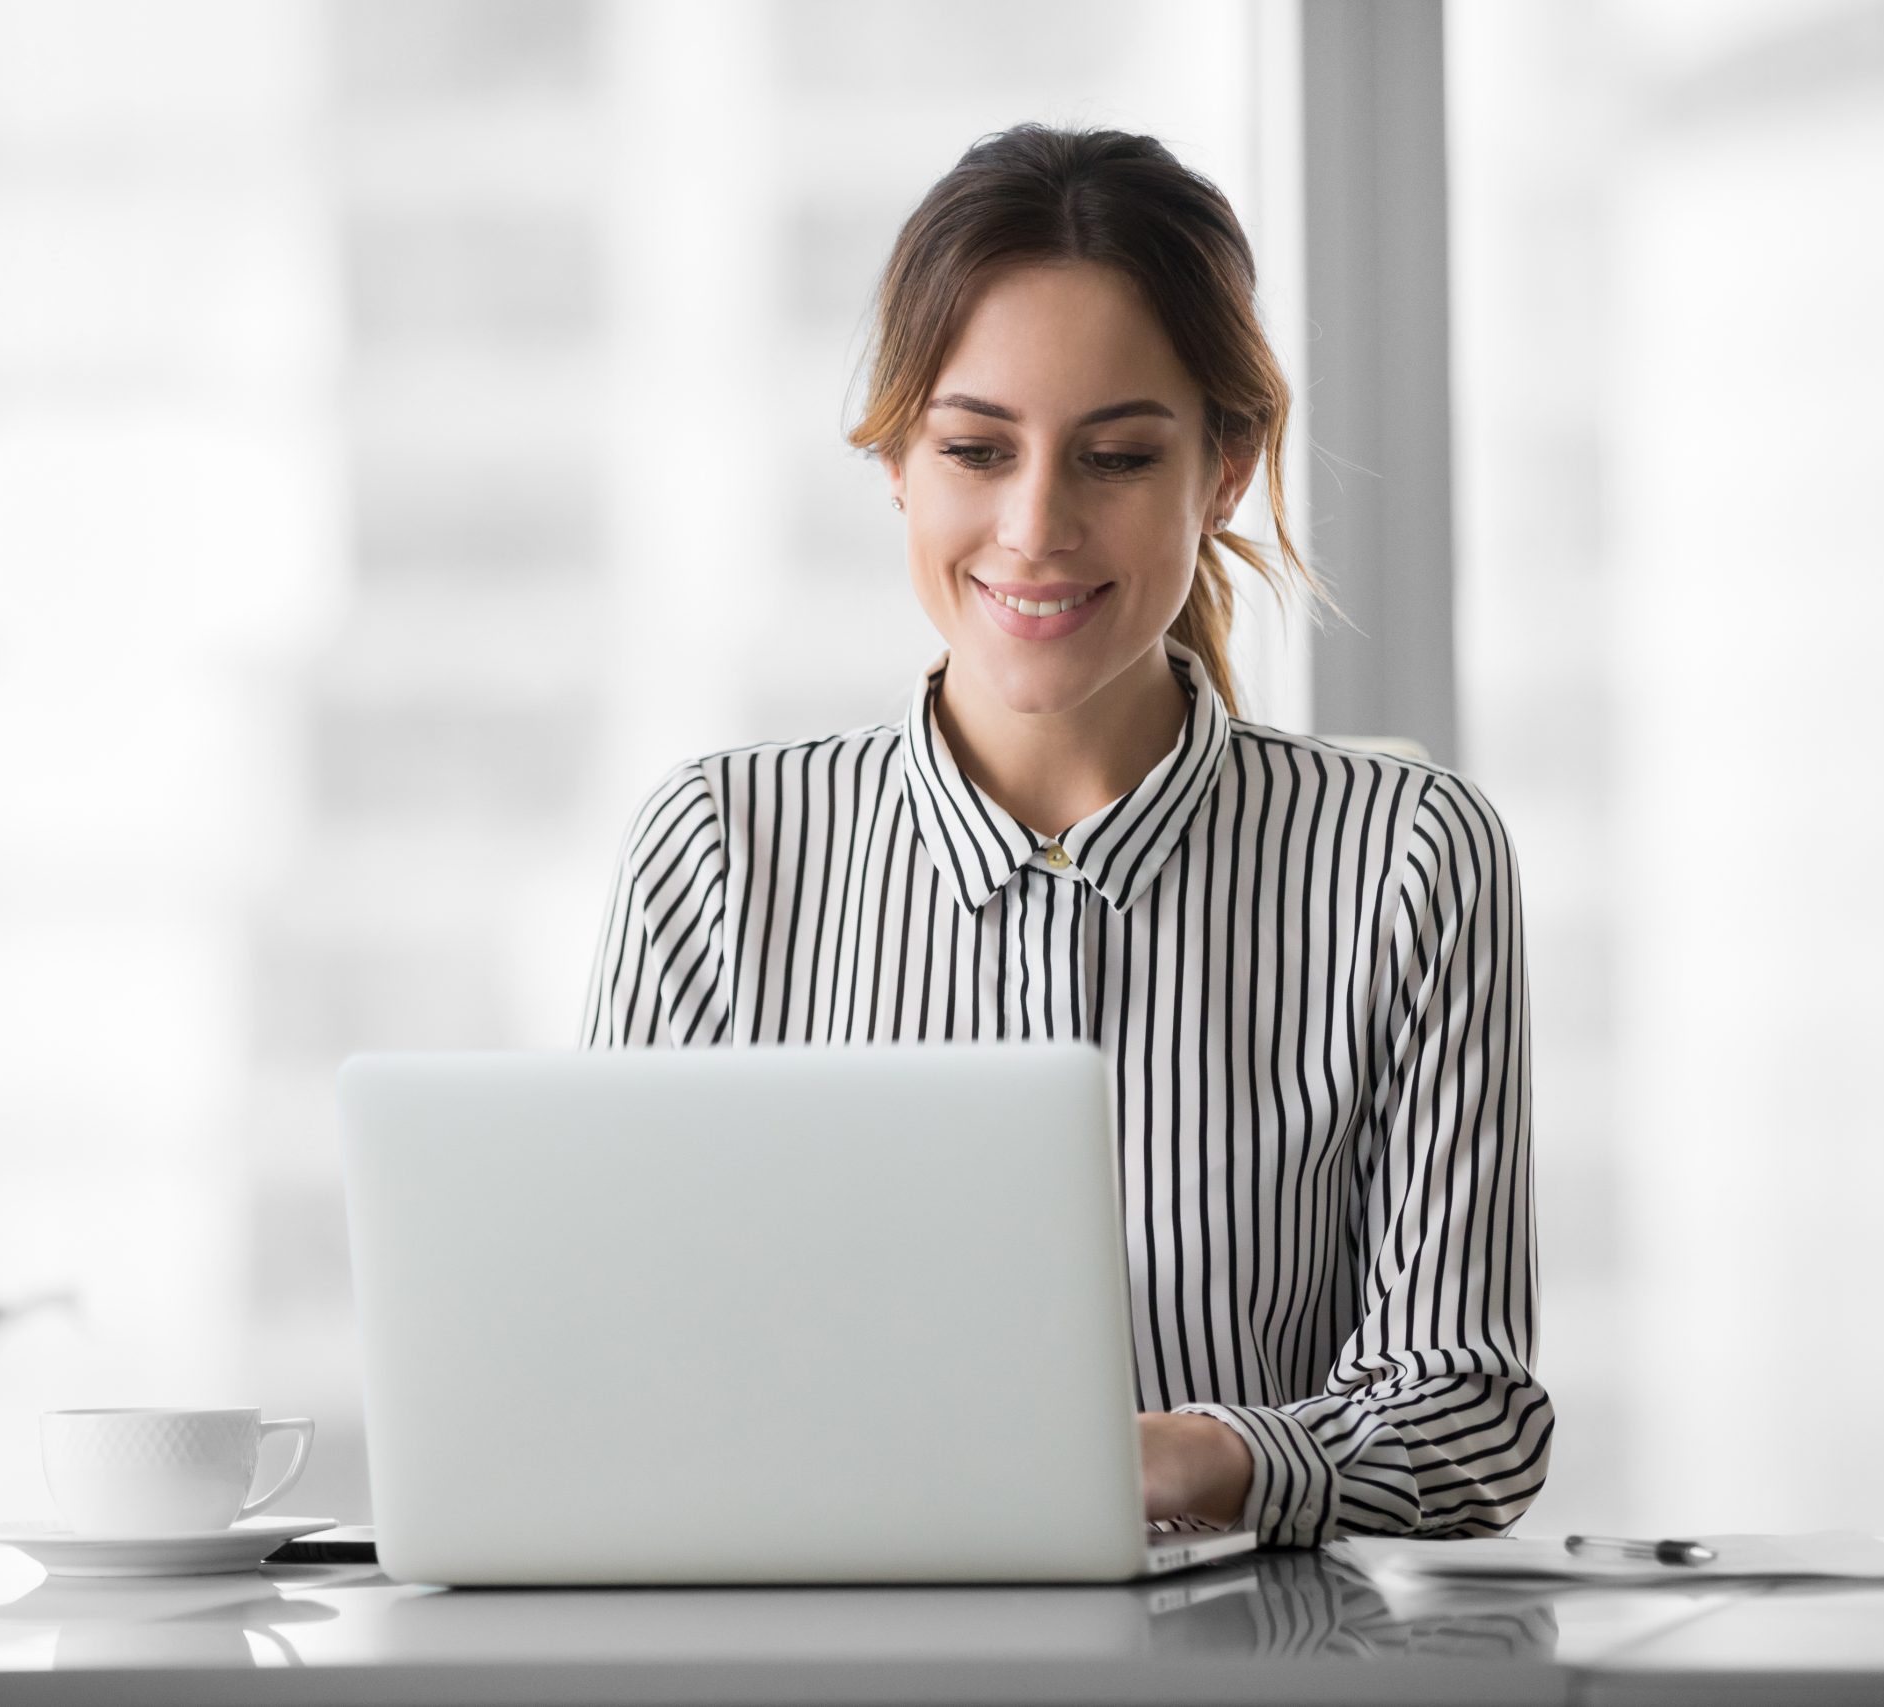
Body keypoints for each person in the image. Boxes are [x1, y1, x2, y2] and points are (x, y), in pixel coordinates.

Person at [582, 123, 1549, 1548]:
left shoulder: (1407, 859)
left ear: (1223, 472)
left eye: (1114, 456)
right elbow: (611, 1374)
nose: (1035, 525)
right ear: (897, 464)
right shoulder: (720, 851)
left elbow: (1466, 1415)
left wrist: (1197, 1459)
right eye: (976, 448)